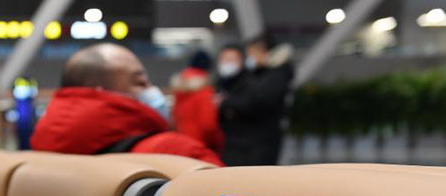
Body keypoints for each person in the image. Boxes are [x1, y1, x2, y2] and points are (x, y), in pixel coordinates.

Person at [30, 43, 224, 166]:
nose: (151, 90)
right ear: (100, 91)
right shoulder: (177, 153)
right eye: (140, 82)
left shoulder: (40, 158)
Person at [218, 33, 294, 166]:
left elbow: (257, 102)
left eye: (252, 53)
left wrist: (226, 102)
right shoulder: (263, 74)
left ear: (263, 52)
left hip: (259, 145)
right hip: (251, 144)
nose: (250, 58)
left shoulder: (275, 75)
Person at [170, 49, 224, 152]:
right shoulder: (204, 91)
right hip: (201, 145)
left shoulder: (179, 90)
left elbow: (174, 119)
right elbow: (208, 125)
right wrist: (218, 143)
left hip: (182, 144)